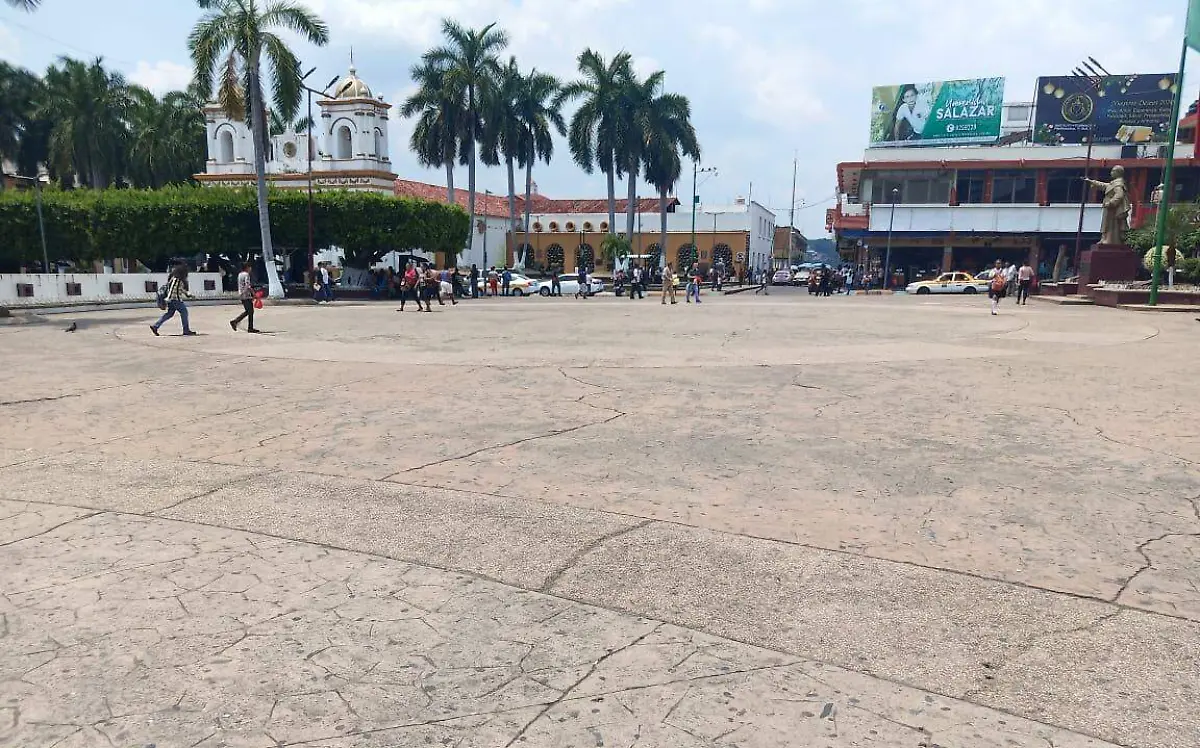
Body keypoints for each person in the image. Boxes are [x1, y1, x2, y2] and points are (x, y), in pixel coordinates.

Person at [150, 264, 196, 336]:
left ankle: (155, 326)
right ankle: (186, 330)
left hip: (172, 299)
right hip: (175, 299)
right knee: (184, 312)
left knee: (169, 314)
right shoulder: (176, 279)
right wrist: (168, 298)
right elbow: (171, 289)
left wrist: (188, 294)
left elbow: (180, 289)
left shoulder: (176, 279)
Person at [229, 262, 261, 333]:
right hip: (246, 295)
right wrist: (253, 294)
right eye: (250, 267)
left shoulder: (240, 274)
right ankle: (240, 323)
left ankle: (237, 322)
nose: (250, 269)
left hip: (241, 294)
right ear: (247, 267)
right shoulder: (246, 275)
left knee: (248, 311)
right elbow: (248, 286)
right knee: (250, 311)